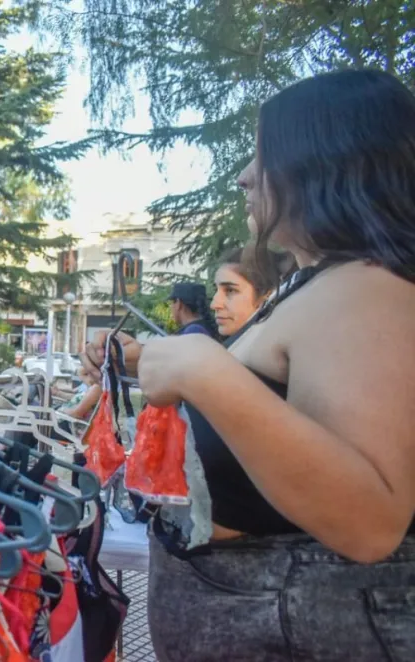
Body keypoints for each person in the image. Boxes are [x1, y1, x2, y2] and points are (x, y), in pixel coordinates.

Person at [138, 70, 415, 660]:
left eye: (263, 155)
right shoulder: (322, 285)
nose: (244, 175)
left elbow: (370, 521)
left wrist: (202, 369)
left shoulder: (366, 288)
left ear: (325, 163)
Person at [80, 244, 289, 383]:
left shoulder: (267, 367)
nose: (215, 303)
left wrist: (145, 359)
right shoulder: (235, 351)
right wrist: (136, 359)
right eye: (216, 290)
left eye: (231, 291)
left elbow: (204, 378)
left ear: (267, 295)